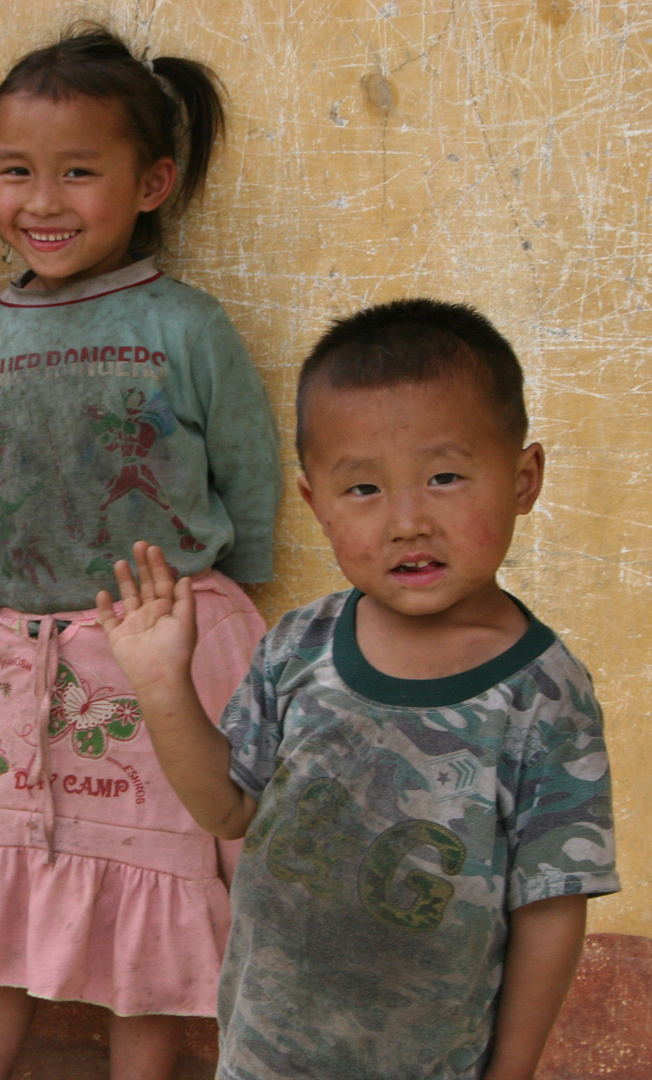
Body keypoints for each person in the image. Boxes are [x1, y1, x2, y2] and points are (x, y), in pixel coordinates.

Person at [97, 298, 620, 1080]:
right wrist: (161, 685)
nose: (407, 520)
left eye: (445, 476)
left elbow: (549, 904)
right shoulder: (301, 646)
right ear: (315, 503)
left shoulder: (542, 694)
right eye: (364, 490)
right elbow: (226, 809)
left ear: (523, 479)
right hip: (263, 1056)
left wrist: (511, 1072)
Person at [0, 24, 280, 1080]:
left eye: (80, 173)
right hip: (22, 661)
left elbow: (248, 475)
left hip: (153, 664)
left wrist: (213, 626)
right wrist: (14, 594)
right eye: (18, 172)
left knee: (148, 906)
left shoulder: (185, 327)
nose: (44, 201)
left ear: (153, 181)